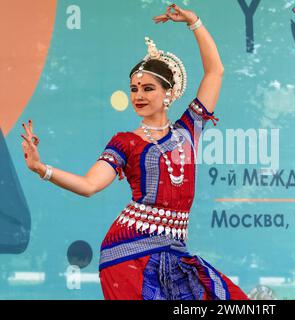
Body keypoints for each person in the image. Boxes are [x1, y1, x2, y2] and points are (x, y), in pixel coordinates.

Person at [20, 4, 249, 300]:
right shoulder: (125, 141)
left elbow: (215, 72)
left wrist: (194, 22)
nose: (138, 96)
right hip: (128, 254)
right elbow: (89, 185)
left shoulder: (188, 130)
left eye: (148, 88)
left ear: (169, 93)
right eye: (134, 89)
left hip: (175, 251)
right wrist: (42, 168)